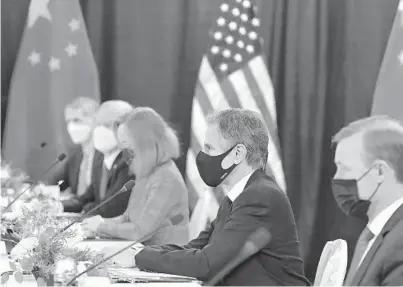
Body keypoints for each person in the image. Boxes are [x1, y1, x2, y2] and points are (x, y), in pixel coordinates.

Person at [115, 109, 309, 286]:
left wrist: (141, 257)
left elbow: (207, 264)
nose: (203, 155)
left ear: (238, 153)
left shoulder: (260, 197)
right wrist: (138, 254)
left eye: (209, 148)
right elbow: (196, 247)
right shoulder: (239, 196)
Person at [81, 107, 189, 244]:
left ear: (145, 142)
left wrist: (101, 227)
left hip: (165, 258)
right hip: (144, 252)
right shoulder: (146, 170)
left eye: (128, 147)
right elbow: (127, 217)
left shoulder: (166, 177)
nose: (125, 154)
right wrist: (97, 223)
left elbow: (140, 232)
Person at [331, 115, 403, 286]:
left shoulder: (400, 242)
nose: (337, 178)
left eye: (344, 168)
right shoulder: (379, 233)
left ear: (379, 172)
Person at [62, 100, 135, 218]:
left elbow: (110, 209)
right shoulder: (100, 160)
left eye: (107, 126)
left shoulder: (128, 163)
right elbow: (85, 199)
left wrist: (85, 210)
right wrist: (58, 206)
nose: (100, 130)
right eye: (98, 125)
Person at [47, 97, 100, 198]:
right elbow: (56, 183)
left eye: (77, 120)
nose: (71, 127)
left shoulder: (104, 155)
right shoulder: (77, 155)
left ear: (95, 120)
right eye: (68, 121)